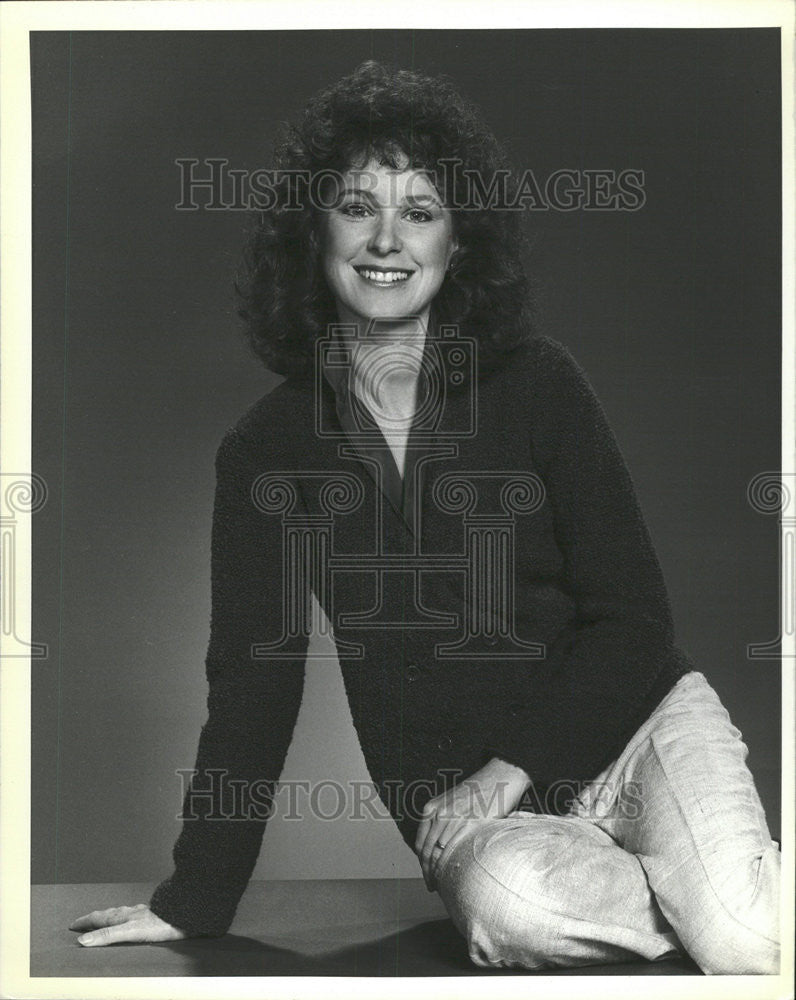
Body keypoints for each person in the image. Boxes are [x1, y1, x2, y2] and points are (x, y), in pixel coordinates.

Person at [69, 60, 781, 975]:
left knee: (750, 936)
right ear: (312, 231)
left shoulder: (542, 385)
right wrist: (194, 900)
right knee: (509, 908)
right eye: (359, 205)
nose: (386, 239)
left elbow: (636, 618)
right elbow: (252, 686)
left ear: (460, 245)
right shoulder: (266, 452)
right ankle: (705, 885)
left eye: (421, 211)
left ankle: (716, 890)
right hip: (471, 815)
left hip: (642, 733)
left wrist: (509, 771)